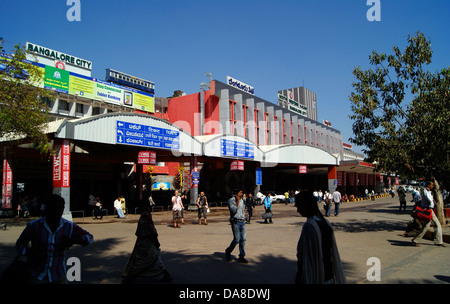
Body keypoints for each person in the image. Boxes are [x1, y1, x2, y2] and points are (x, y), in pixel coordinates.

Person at [15, 194, 94, 283]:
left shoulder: (69, 226)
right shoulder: (34, 226)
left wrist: (74, 241)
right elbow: (20, 244)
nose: (57, 211)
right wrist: (31, 253)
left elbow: (89, 238)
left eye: (60, 208)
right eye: (54, 208)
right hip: (36, 275)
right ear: (47, 209)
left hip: (59, 275)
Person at [294, 190, 346, 284]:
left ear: (306, 205)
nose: (298, 210)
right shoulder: (325, 223)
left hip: (317, 277)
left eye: (299, 206)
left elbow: (307, 259)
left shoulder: (309, 226)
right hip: (329, 277)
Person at [122, 199, 172, 283]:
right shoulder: (146, 215)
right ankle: (133, 276)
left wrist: (155, 241)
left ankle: (132, 276)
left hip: (146, 243)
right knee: (151, 260)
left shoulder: (145, 216)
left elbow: (150, 230)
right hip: (145, 242)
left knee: (145, 261)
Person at [411, 181, 446, 247]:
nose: (432, 186)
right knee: (436, 225)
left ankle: (415, 240)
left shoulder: (429, 192)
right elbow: (430, 200)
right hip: (428, 210)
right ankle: (438, 241)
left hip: (429, 210)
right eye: (432, 185)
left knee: (427, 226)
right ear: (428, 185)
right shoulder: (425, 191)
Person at [225, 188, 248, 263]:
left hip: (242, 222)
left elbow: (241, 210)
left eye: (242, 193)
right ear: (236, 193)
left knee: (243, 240)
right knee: (237, 239)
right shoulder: (231, 200)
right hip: (235, 222)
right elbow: (233, 210)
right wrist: (237, 201)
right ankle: (228, 251)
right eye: (240, 193)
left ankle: (242, 256)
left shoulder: (242, 200)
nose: (241, 194)